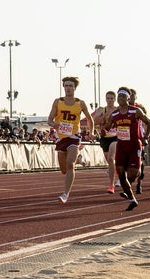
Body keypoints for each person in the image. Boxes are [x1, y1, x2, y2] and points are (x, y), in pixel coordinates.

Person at [48, 76, 95, 204]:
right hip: (60, 137)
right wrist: (54, 125)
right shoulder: (58, 102)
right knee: (63, 170)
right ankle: (79, 159)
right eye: (66, 86)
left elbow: (90, 119)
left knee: (70, 165)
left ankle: (65, 194)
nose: (68, 88)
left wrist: (91, 132)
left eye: (71, 86)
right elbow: (49, 120)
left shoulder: (80, 103)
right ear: (63, 87)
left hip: (74, 136)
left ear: (75, 88)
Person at [104, 87, 150, 211]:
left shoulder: (136, 111)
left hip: (134, 145)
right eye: (119, 96)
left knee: (133, 174)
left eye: (123, 96)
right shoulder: (114, 113)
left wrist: (146, 136)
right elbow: (107, 127)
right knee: (120, 173)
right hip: (121, 145)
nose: (120, 98)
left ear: (128, 98)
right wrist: (104, 128)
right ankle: (132, 199)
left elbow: (149, 122)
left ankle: (131, 186)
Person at [128, 88, 150, 194]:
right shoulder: (122, 107)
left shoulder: (140, 107)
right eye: (129, 95)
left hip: (139, 136)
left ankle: (139, 183)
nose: (131, 97)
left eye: (132, 95)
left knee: (140, 160)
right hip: (126, 138)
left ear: (135, 97)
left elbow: (147, 121)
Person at [93, 91, 118, 193]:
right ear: (105, 99)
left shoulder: (118, 110)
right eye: (108, 98)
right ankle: (117, 170)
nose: (110, 100)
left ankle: (111, 185)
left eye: (112, 98)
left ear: (115, 99)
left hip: (116, 137)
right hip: (105, 138)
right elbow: (93, 121)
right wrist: (105, 116)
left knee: (111, 159)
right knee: (109, 160)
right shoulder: (101, 109)